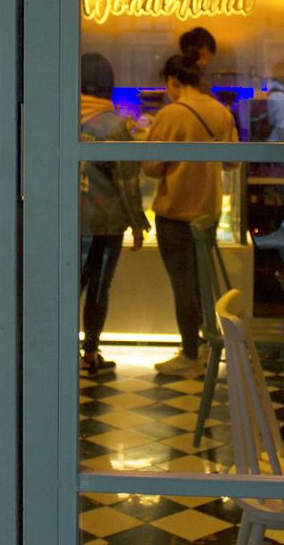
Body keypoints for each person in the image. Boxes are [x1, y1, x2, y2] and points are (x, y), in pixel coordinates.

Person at [142, 54, 237, 378]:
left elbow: (151, 167)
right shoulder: (221, 111)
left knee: (183, 285)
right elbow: (233, 161)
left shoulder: (170, 113)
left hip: (176, 212)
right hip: (208, 212)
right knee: (198, 283)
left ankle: (190, 355)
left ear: (172, 81)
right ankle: (202, 345)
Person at [79, 53, 149, 376]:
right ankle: (90, 355)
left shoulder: (62, 118)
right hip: (105, 223)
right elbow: (127, 181)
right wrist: (137, 223)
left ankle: (57, 353)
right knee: (97, 289)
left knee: (68, 287)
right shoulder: (114, 125)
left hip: (67, 222)